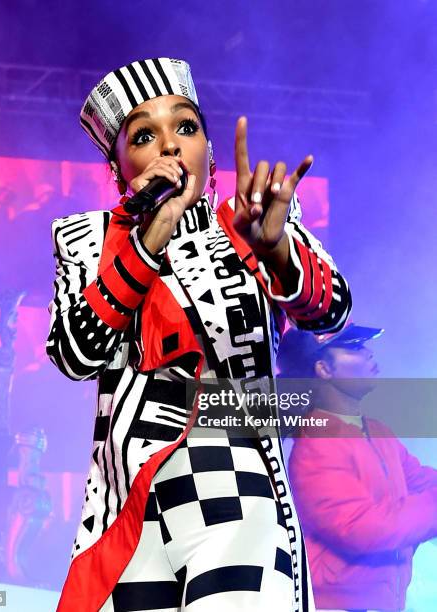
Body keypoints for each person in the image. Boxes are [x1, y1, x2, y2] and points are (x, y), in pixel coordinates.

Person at [46, 57, 352, 612]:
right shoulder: (87, 240)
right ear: (118, 167)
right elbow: (75, 352)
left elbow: (331, 312)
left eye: (185, 127)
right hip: (127, 512)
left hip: (234, 488)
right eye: (144, 135)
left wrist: (277, 252)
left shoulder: (251, 222)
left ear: (209, 150)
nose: (170, 146)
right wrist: (145, 244)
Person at [279, 324, 437, 612]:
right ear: (324, 369)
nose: (368, 352)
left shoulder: (378, 431)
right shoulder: (315, 444)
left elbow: (422, 481)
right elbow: (363, 529)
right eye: (353, 347)